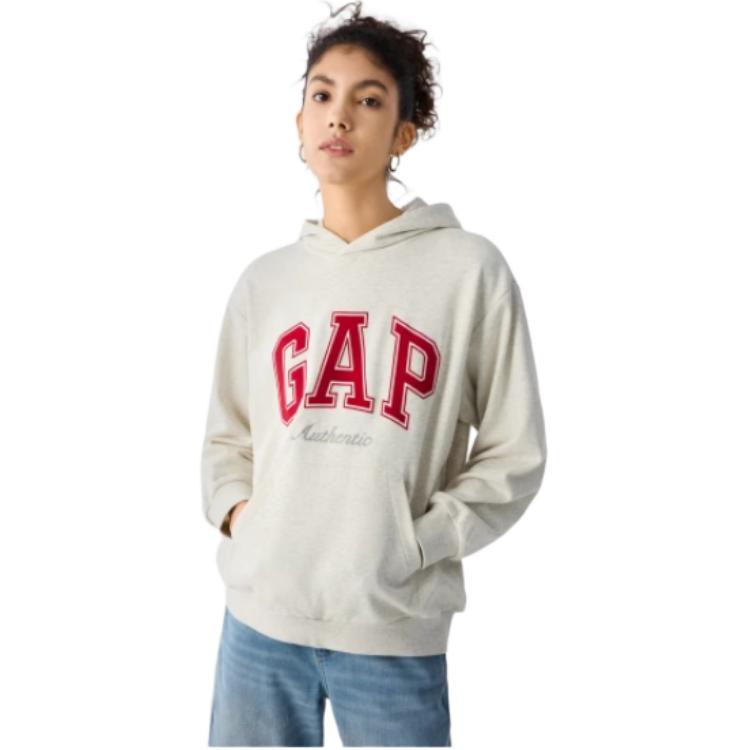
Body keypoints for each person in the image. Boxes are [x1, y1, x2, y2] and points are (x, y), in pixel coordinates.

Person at [201, 2, 547, 745]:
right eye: (322, 95)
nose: (339, 116)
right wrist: (244, 520)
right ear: (299, 121)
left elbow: (514, 452)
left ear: (403, 134)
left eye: (368, 100)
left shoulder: (467, 271)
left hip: (390, 627)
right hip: (258, 621)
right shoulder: (265, 282)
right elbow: (227, 438)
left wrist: (417, 543)